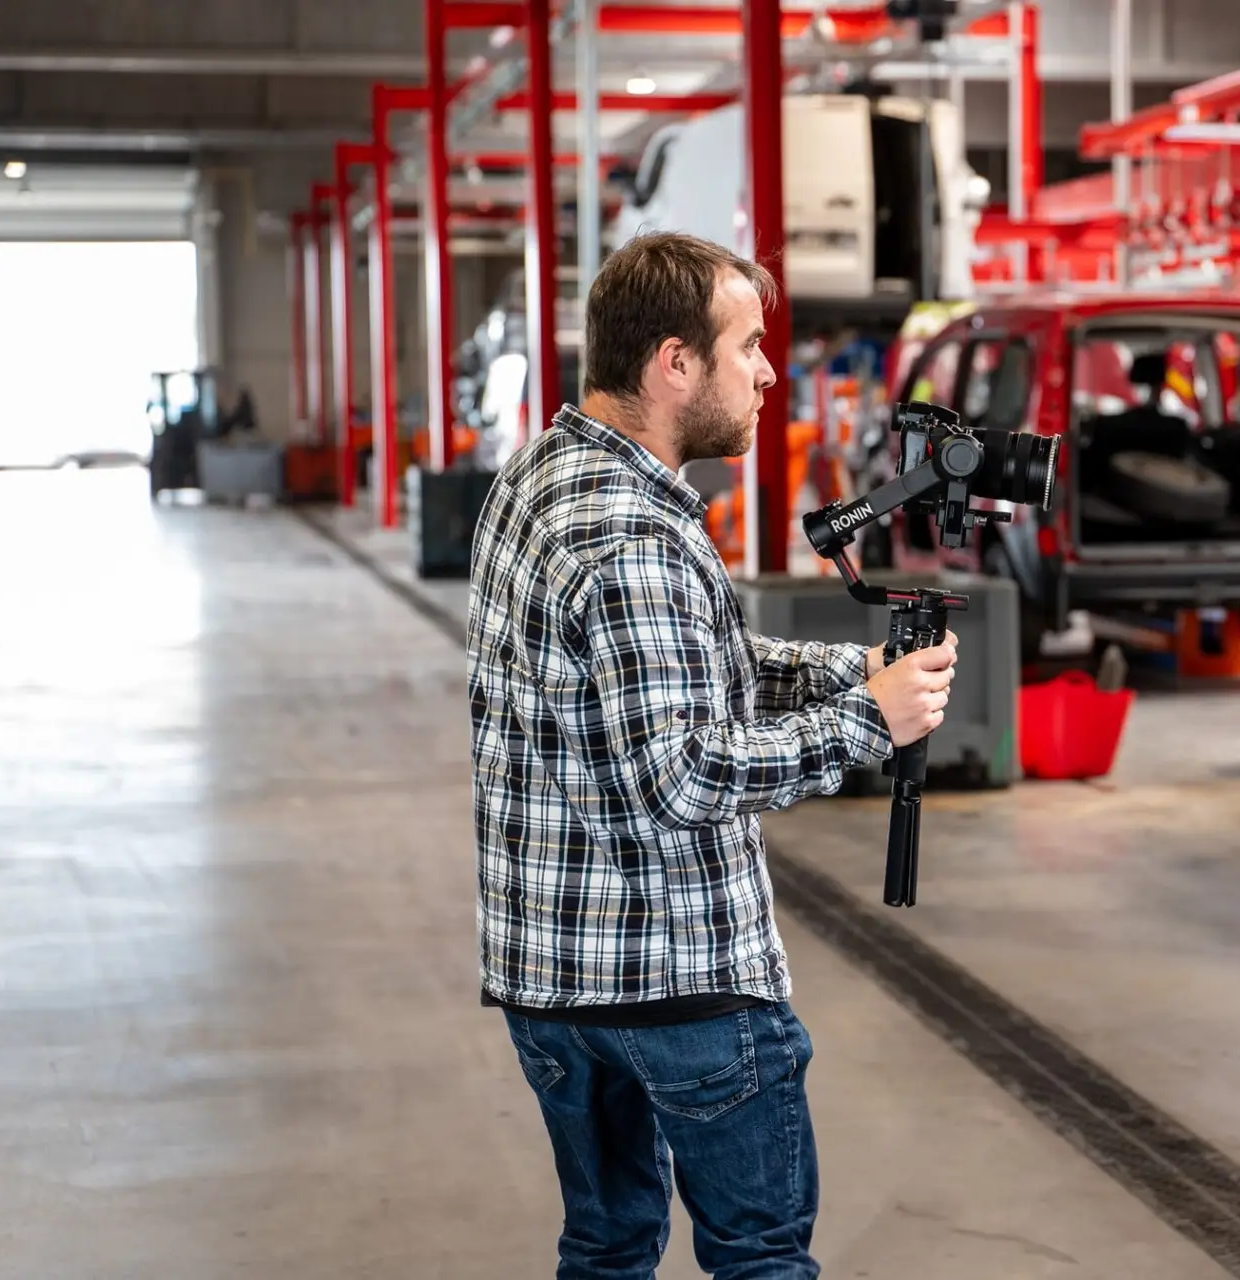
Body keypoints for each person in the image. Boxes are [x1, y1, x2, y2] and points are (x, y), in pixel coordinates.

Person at [464, 230, 957, 1279]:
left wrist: (853, 672)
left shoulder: (544, 476)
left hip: (553, 980)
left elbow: (686, 666)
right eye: (749, 347)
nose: (769, 372)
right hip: (674, 978)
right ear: (674, 363)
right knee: (760, 1258)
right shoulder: (634, 536)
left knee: (607, 1246)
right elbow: (682, 773)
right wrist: (868, 725)